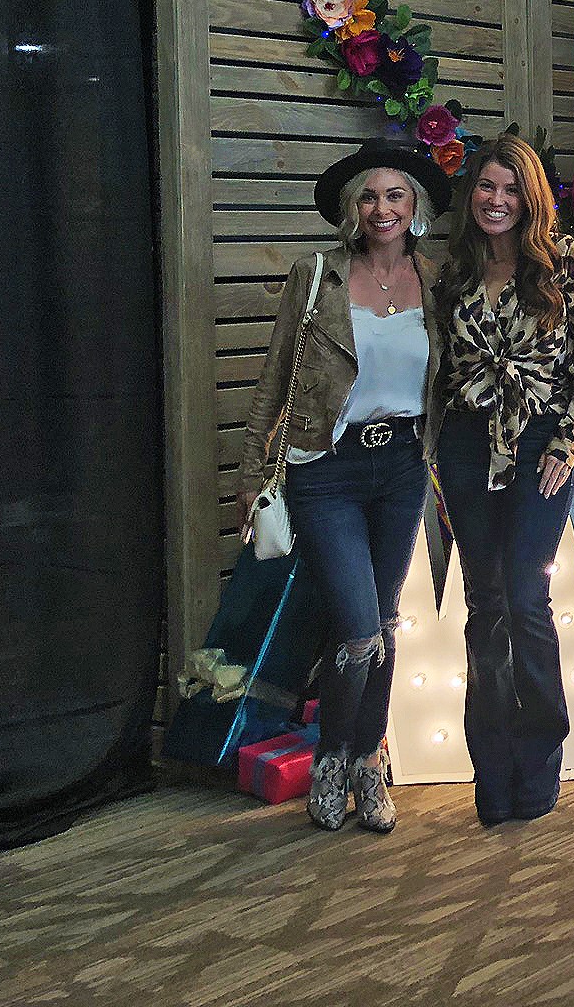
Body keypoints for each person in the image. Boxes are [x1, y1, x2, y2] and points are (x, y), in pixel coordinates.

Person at [239, 138, 453, 832]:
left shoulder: (437, 281)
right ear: (351, 208)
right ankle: (333, 755)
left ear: (414, 206)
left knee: (385, 623)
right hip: (326, 470)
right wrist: (250, 471)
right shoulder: (316, 276)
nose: (382, 207)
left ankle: (369, 763)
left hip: (401, 468)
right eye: (369, 195)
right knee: (358, 630)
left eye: (395, 195)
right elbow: (274, 379)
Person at [433, 133, 574, 825]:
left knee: (526, 596)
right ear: (470, 195)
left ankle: (540, 758)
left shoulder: (565, 265)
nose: (497, 200)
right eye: (486, 187)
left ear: (530, 198)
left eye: (511, 189)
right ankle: (492, 768)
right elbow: (441, 373)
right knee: (483, 603)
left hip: (542, 443)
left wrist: (565, 447)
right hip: (465, 445)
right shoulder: (451, 272)